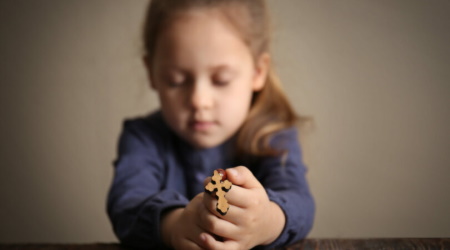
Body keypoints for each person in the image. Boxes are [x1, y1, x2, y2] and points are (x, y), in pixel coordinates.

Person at [107, 0, 315, 249]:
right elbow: (126, 204)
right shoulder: (142, 137)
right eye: (176, 81)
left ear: (258, 72)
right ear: (152, 73)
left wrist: (266, 221)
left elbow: (300, 202)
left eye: (221, 80)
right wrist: (174, 225)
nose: (199, 101)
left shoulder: (273, 135)